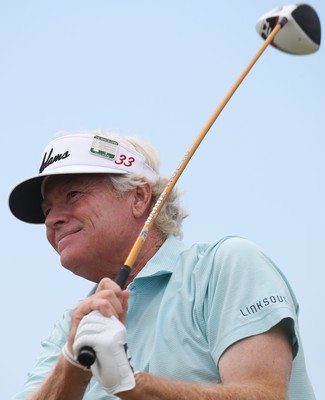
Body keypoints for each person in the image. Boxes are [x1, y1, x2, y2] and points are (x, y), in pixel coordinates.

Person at [9, 129, 315, 400]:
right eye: (47, 210)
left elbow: (266, 396)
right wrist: (72, 364)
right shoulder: (70, 328)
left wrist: (134, 386)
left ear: (140, 197)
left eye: (72, 195)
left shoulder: (224, 266)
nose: (51, 219)